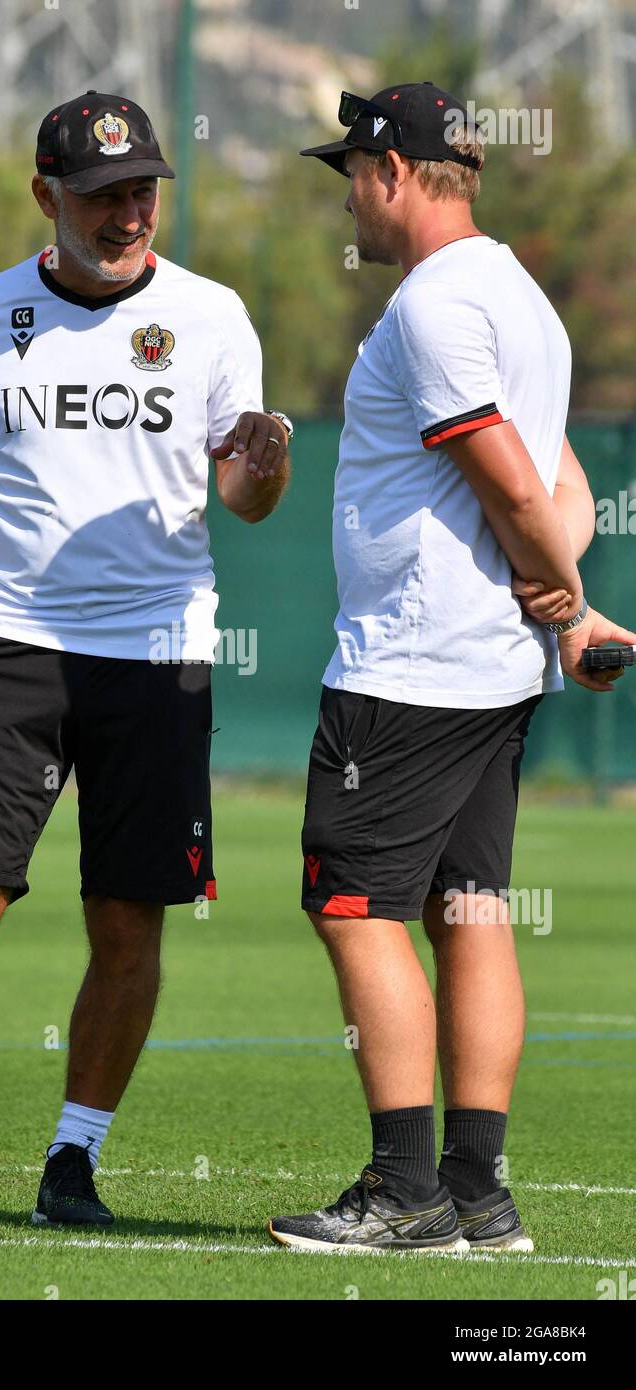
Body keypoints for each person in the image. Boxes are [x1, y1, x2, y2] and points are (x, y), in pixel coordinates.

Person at [0, 90, 292, 1231]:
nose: (128, 211)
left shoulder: (211, 317)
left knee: (128, 921)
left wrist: (262, 462)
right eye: (101, 194)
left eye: (143, 188)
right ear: (44, 193)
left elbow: (243, 498)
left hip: (156, 656)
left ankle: (71, 1164)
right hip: (7, 647)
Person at [268, 82, 634, 1254]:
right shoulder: (522, 300)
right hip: (491, 670)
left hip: (411, 670)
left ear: (391, 173)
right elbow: (566, 487)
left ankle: (405, 1190)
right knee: (469, 912)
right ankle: (478, 1194)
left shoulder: (433, 307)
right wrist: (568, 614)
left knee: (350, 906)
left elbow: (516, 487)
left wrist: (565, 599)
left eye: (351, 177)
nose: (350, 202)